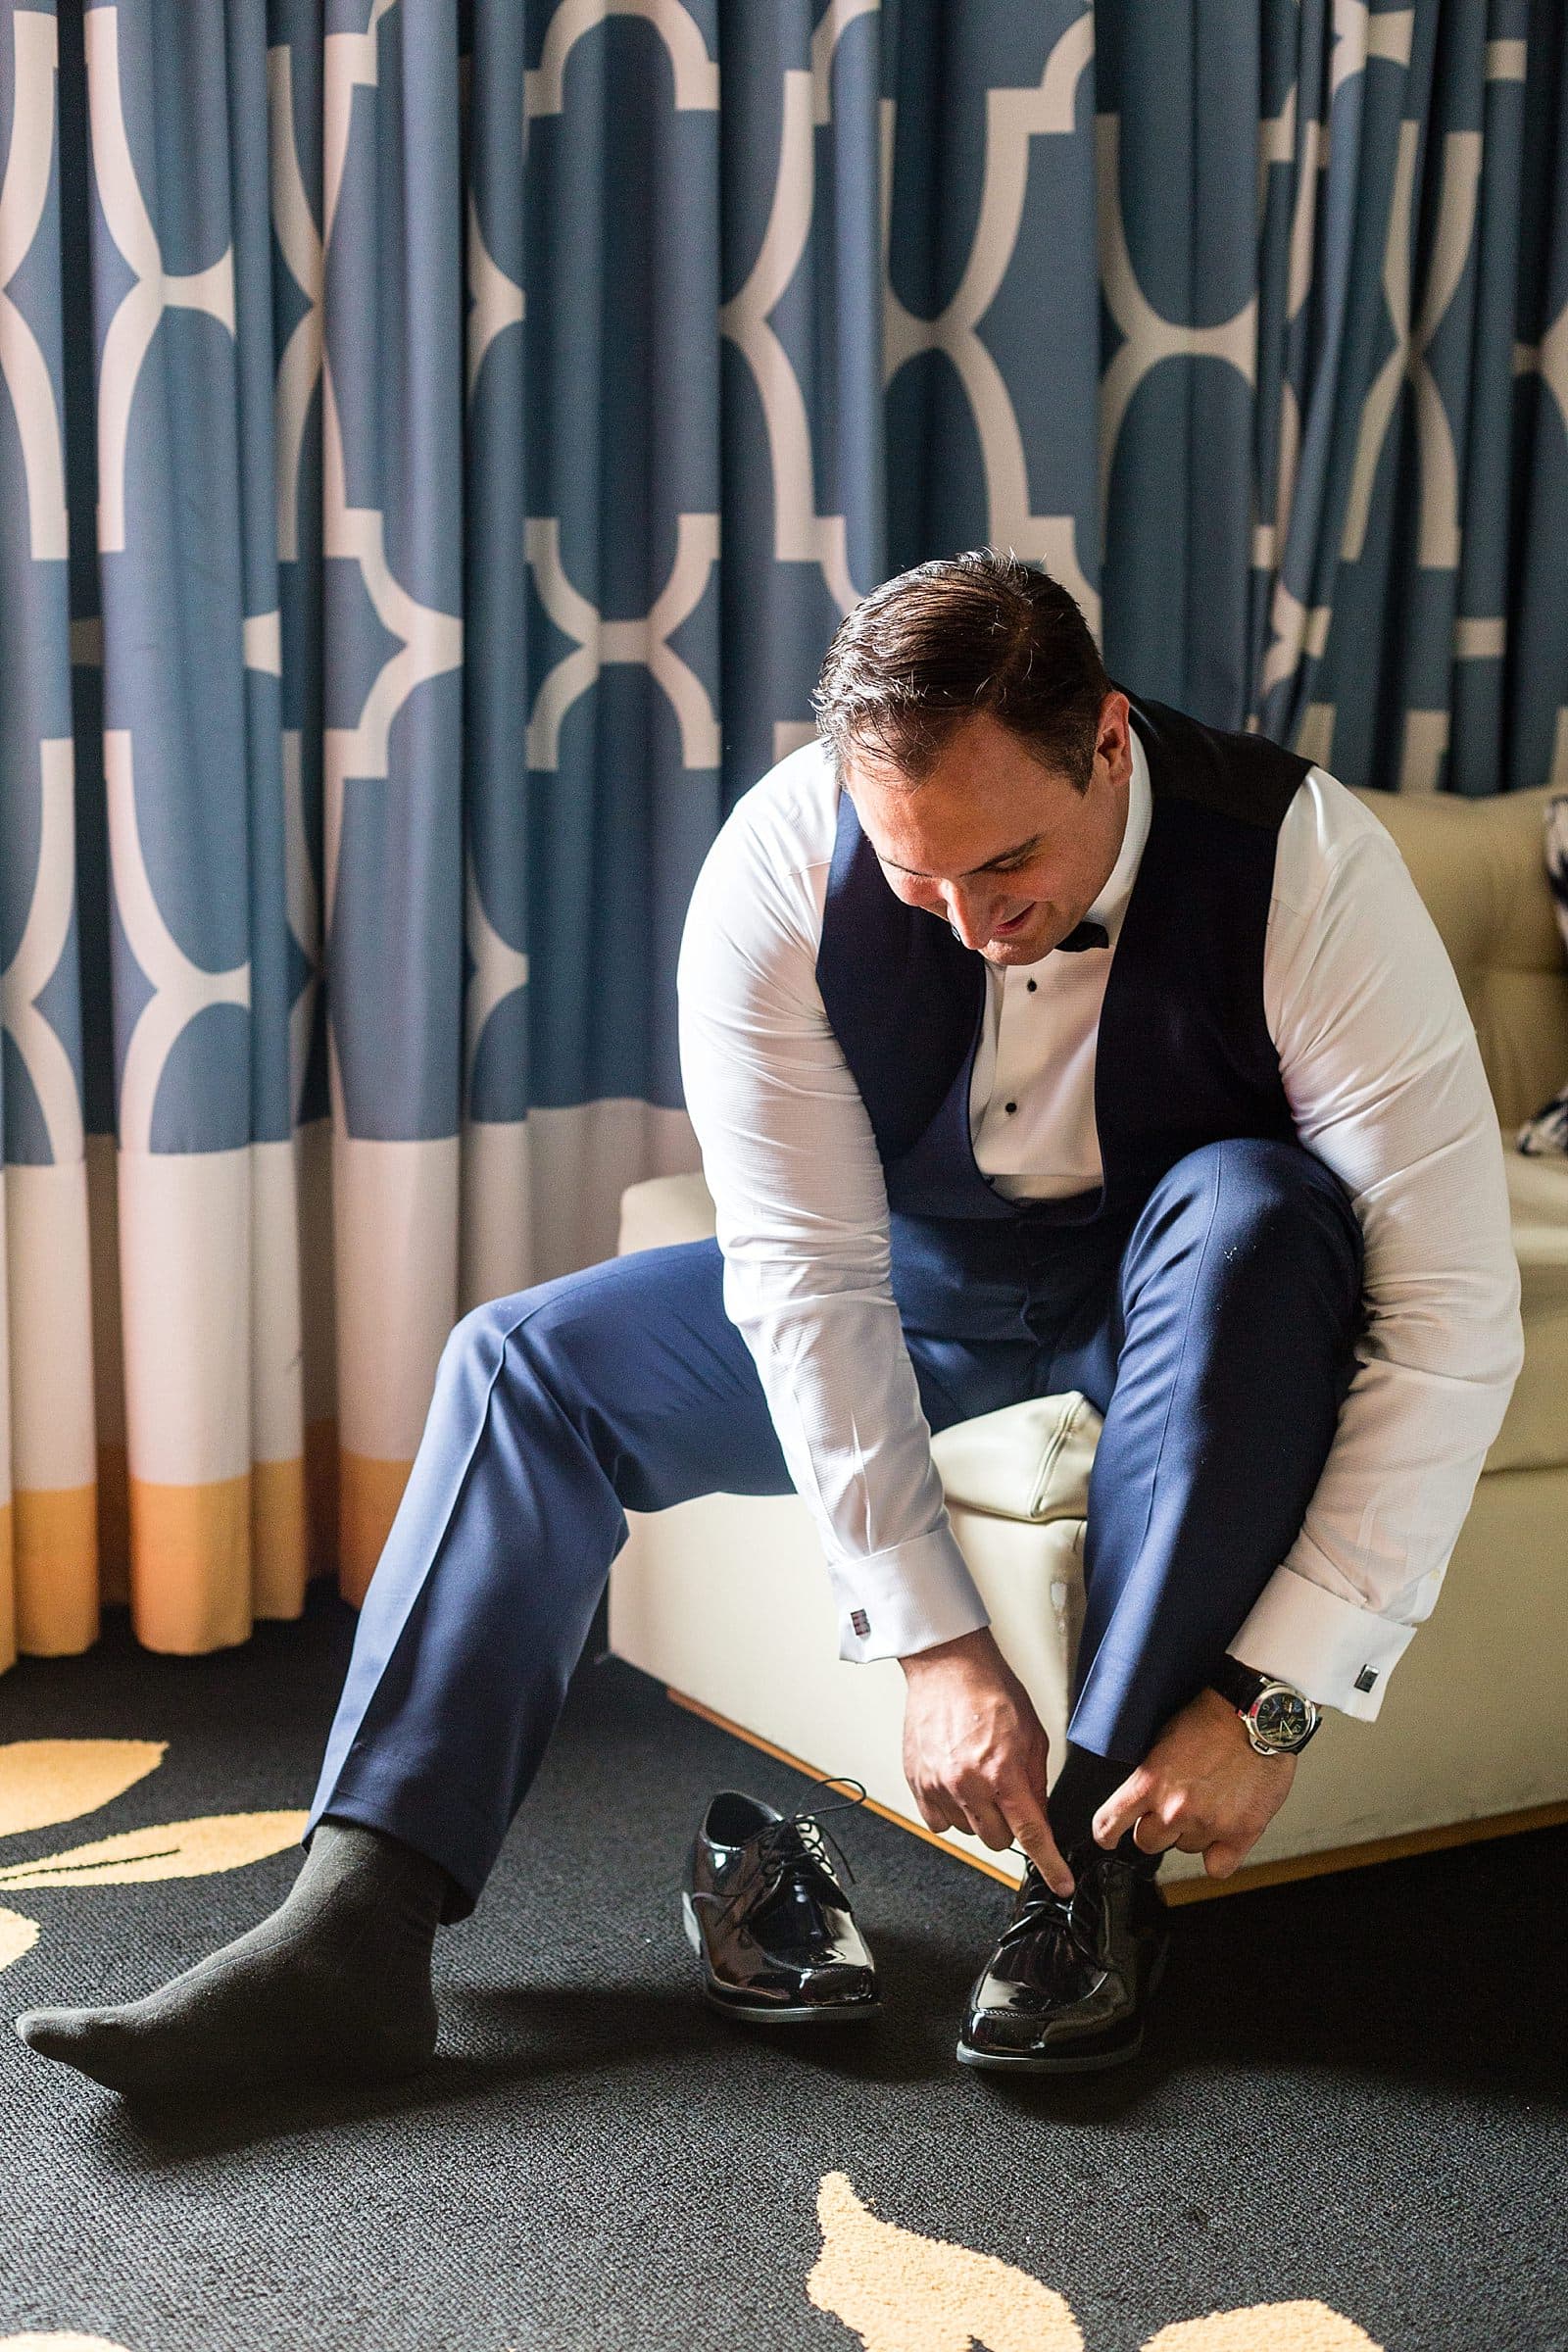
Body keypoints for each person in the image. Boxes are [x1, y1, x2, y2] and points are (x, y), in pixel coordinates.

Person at [15, 552, 1523, 2089]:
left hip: (1192, 1288)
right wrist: (934, 1639)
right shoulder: (780, 863)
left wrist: (1264, 1703)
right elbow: (806, 1271)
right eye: (919, 877)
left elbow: (1453, 1316)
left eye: (1008, 868)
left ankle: (1090, 1892)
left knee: (1263, 1213)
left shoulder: (1306, 860)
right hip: (923, 1284)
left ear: (1111, 742)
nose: (967, 921)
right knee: (522, 1368)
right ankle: (352, 1933)